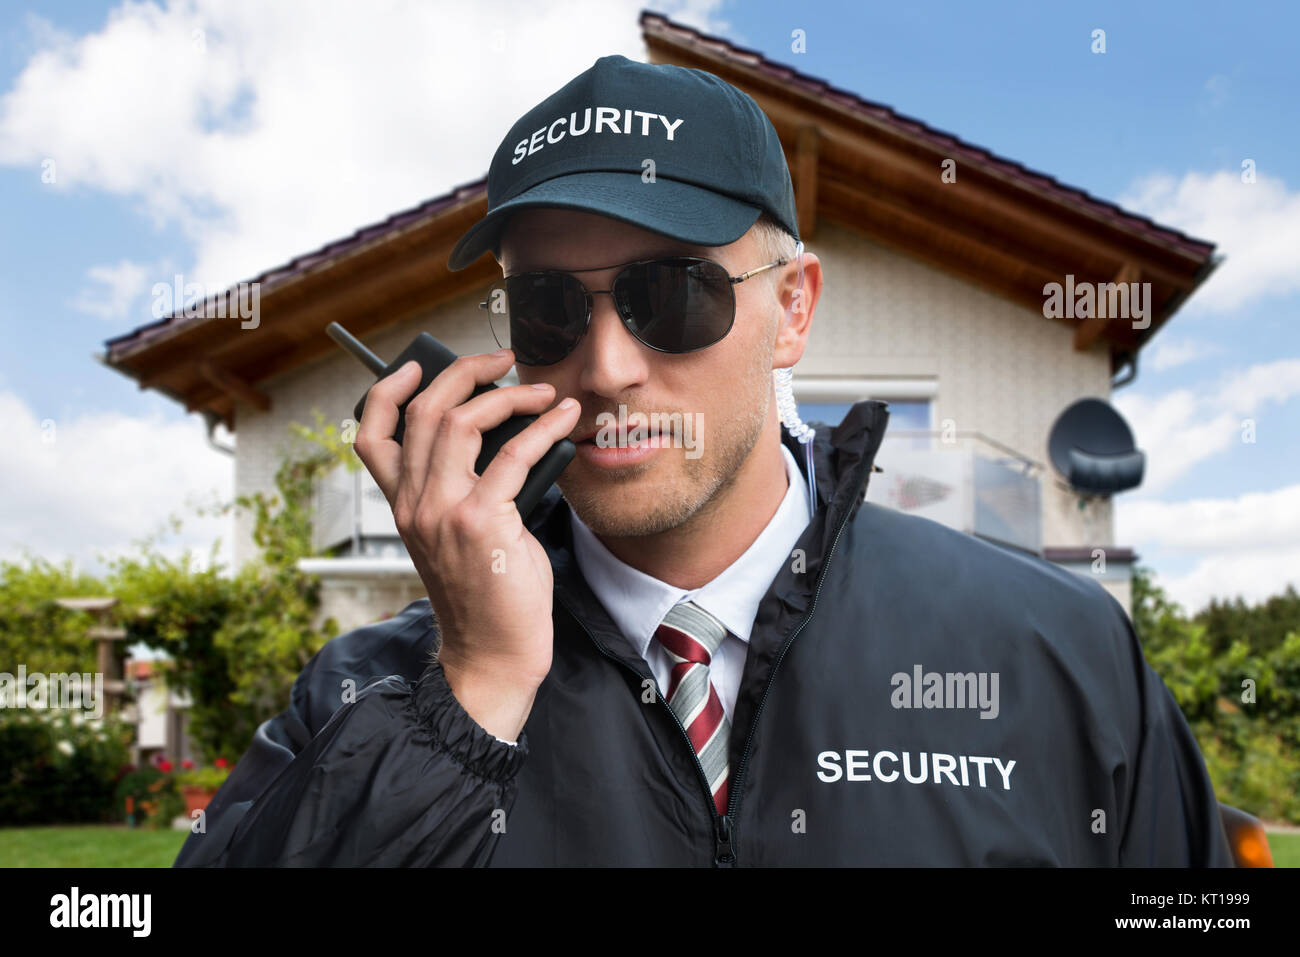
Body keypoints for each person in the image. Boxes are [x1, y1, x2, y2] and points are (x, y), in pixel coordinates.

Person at [174, 54, 1233, 867]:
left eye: (673, 294)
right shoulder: (367, 694)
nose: (608, 367)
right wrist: (469, 698)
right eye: (549, 308)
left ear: (792, 310)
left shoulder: (1058, 650)